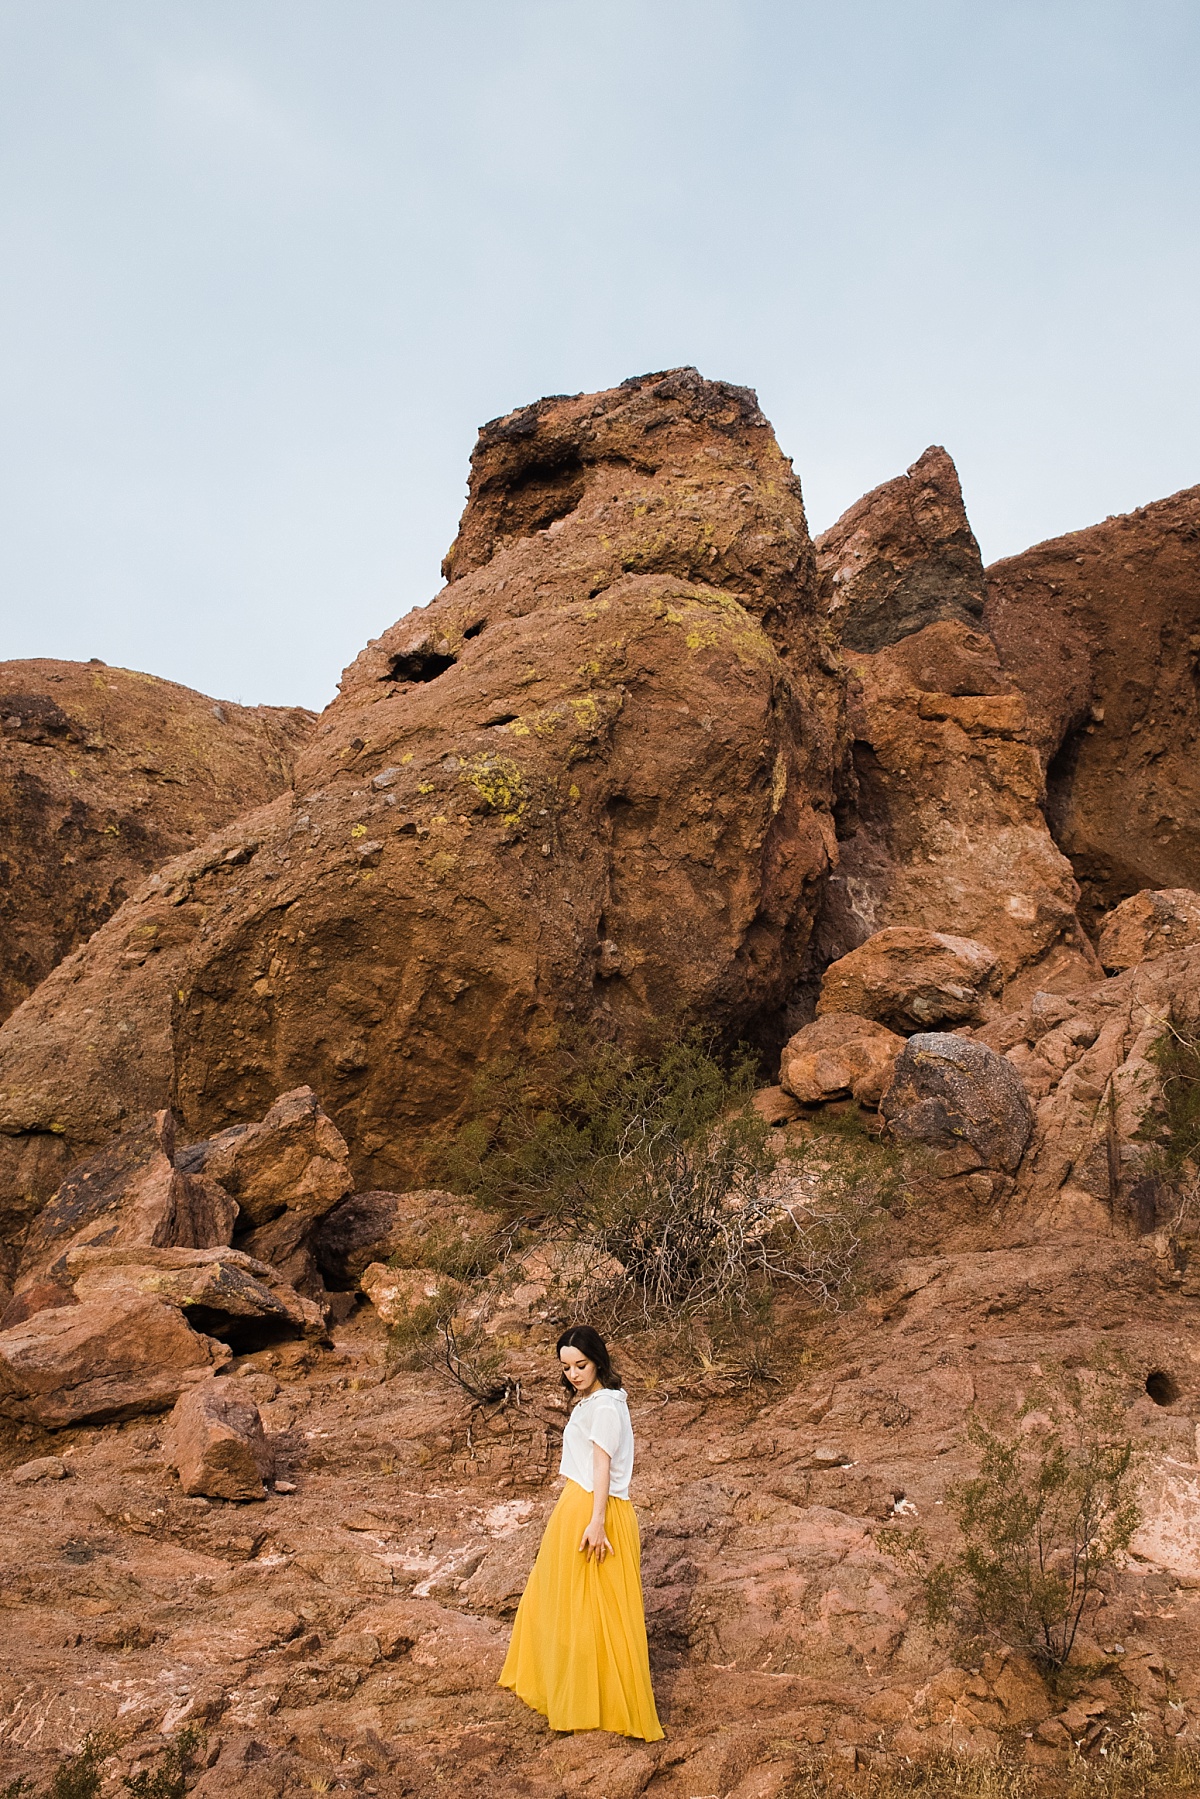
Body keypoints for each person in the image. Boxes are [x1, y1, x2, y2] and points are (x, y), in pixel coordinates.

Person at [498, 1325, 663, 1740]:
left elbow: (603, 1466)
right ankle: (578, 1693)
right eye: (567, 1367)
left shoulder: (605, 1407)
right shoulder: (595, 1401)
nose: (573, 1373)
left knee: (598, 1610)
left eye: (581, 1365)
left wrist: (597, 1521)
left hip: (594, 1509)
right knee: (572, 1604)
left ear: (598, 1361)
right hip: (580, 1506)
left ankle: (597, 1703)